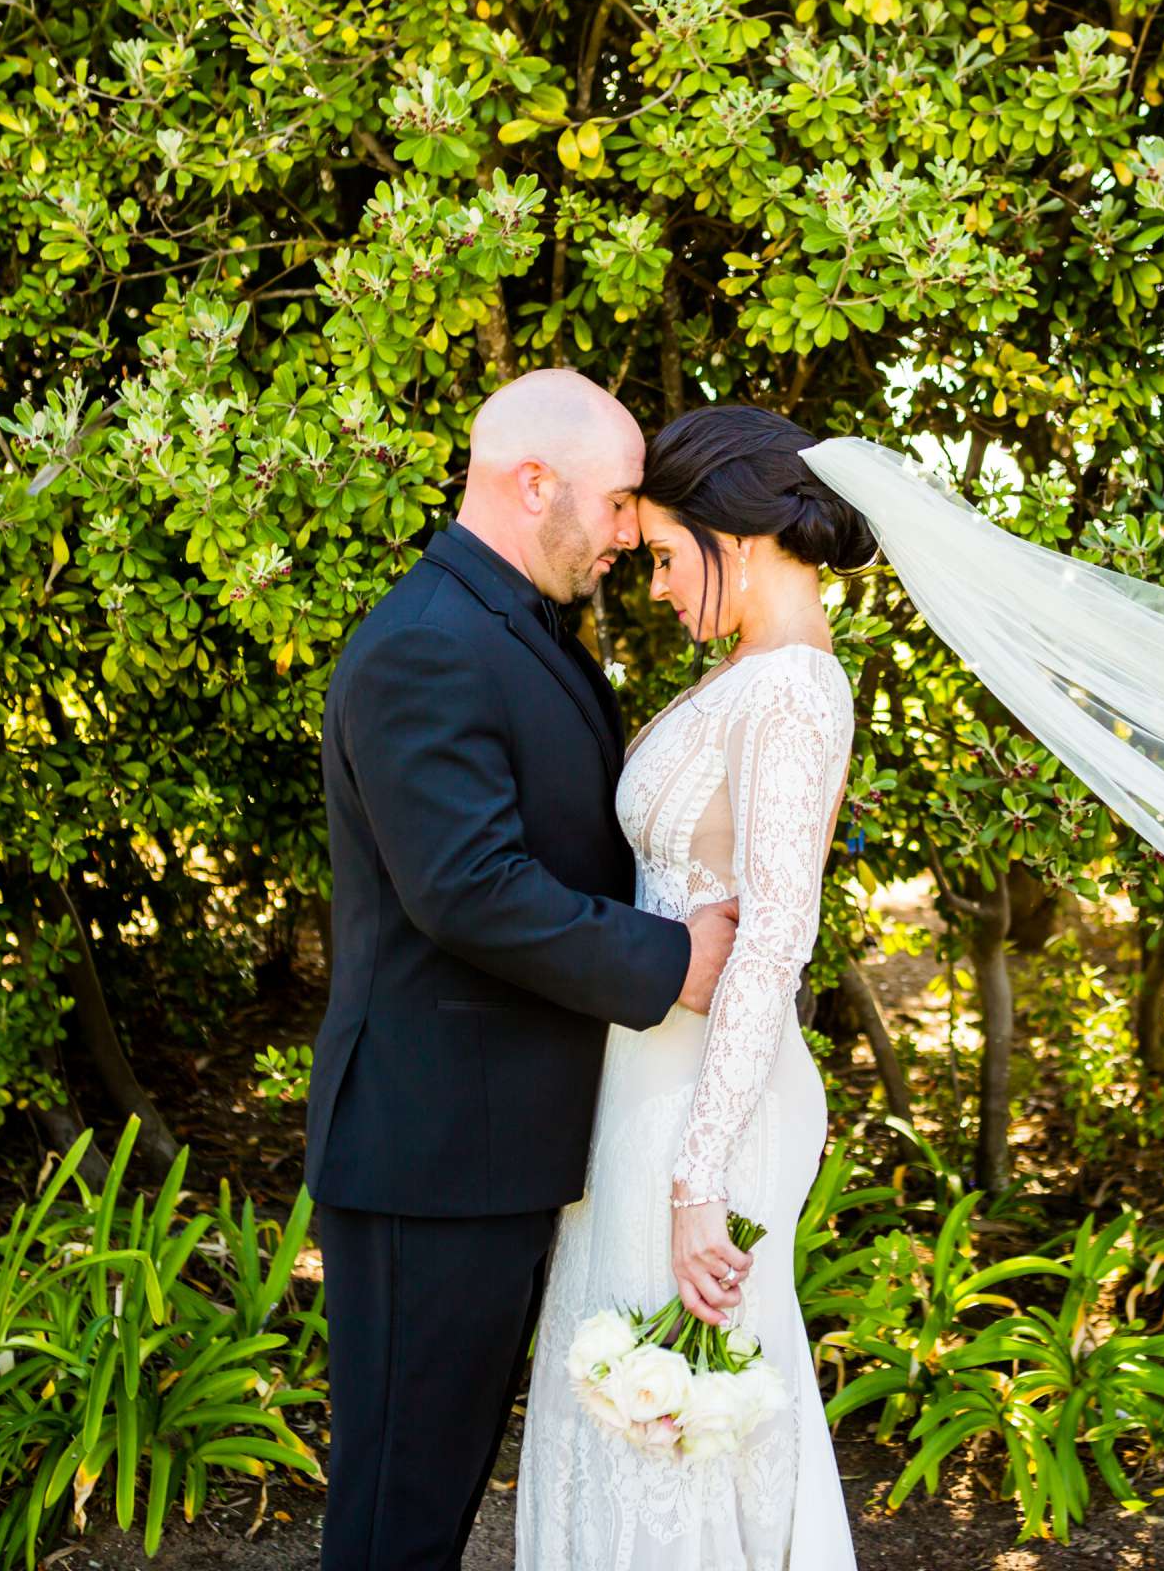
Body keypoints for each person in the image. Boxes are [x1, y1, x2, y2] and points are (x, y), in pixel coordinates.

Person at [302, 368, 744, 1571]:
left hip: (487, 1146)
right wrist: (673, 963)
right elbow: (466, 886)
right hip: (427, 1153)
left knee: (432, 1501)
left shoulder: (504, 626)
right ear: (531, 481)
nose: (624, 535)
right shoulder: (425, 644)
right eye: (614, 505)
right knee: (398, 1511)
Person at [513, 405, 868, 1567]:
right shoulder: (748, 673)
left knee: (675, 1415)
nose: (658, 586)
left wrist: (697, 1181)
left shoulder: (794, 693)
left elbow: (774, 938)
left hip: (707, 1108)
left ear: (742, 535)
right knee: (620, 1398)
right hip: (650, 1081)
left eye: (667, 555)